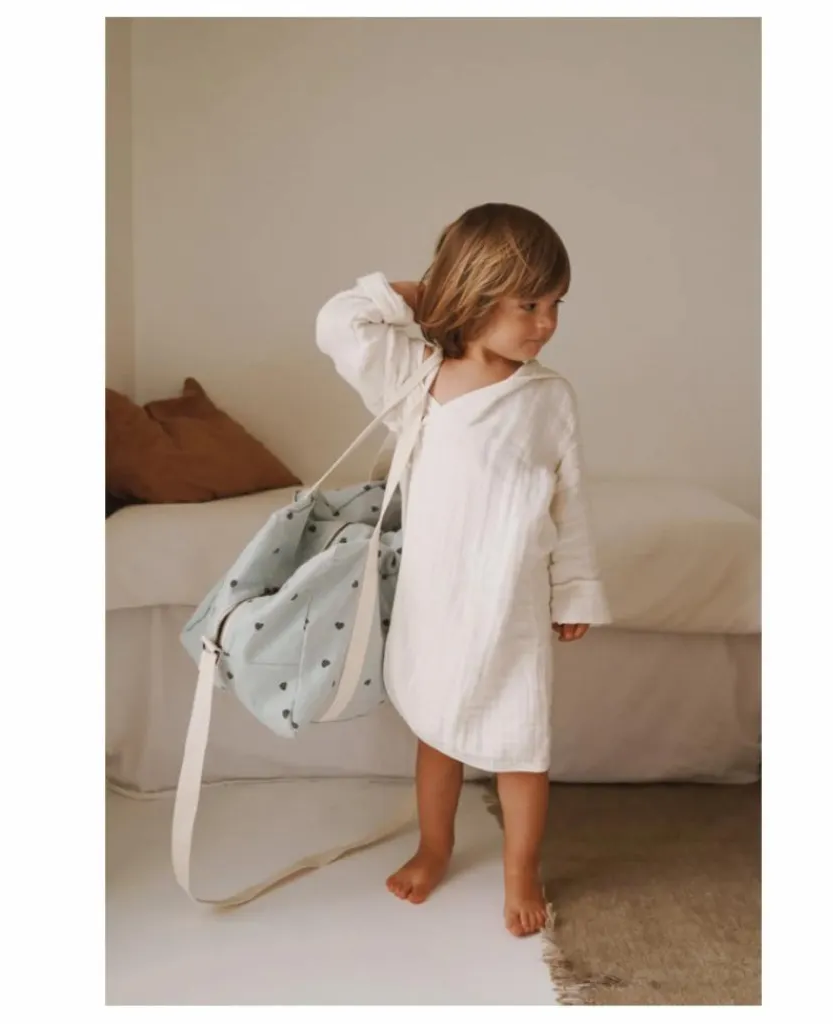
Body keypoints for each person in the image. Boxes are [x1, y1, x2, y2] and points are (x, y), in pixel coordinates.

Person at [316, 202, 609, 937]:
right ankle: (434, 847)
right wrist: (424, 292)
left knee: (523, 745)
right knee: (439, 732)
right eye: (528, 304)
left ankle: (520, 870)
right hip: (436, 599)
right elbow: (338, 323)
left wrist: (574, 590)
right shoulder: (416, 377)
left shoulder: (548, 398)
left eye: (556, 304)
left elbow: (569, 501)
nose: (547, 323)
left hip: (512, 604)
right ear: (474, 294)